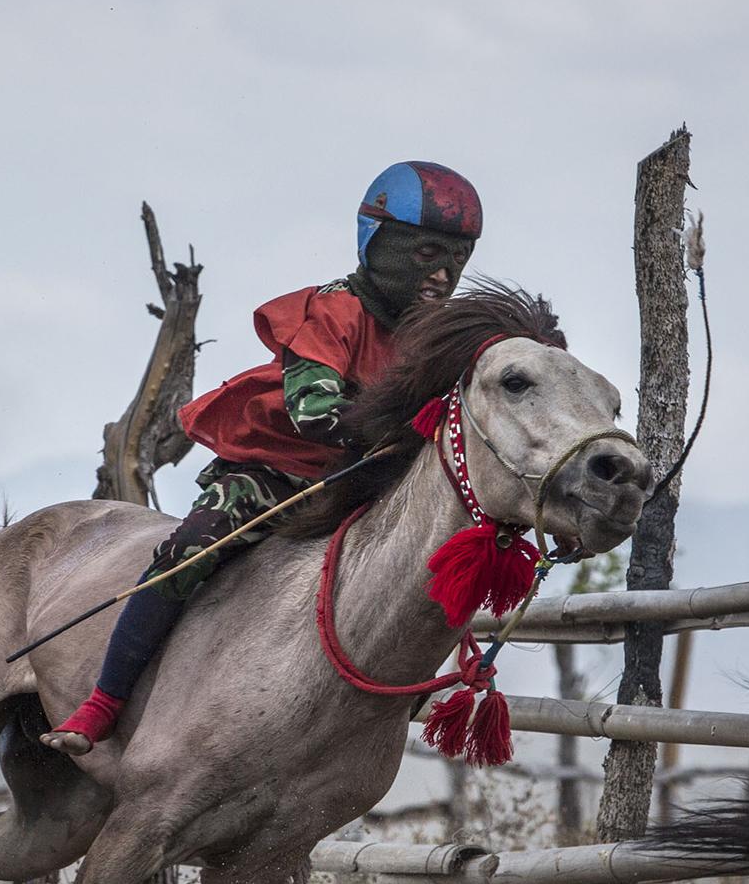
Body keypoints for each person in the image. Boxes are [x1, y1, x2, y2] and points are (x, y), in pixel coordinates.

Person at [43, 161, 483, 755]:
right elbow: (315, 414)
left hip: (370, 484)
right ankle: (103, 702)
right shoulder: (331, 312)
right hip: (277, 473)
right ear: (380, 242)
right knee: (187, 550)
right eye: (428, 251)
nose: (443, 272)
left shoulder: (445, 335)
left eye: (457, 257)